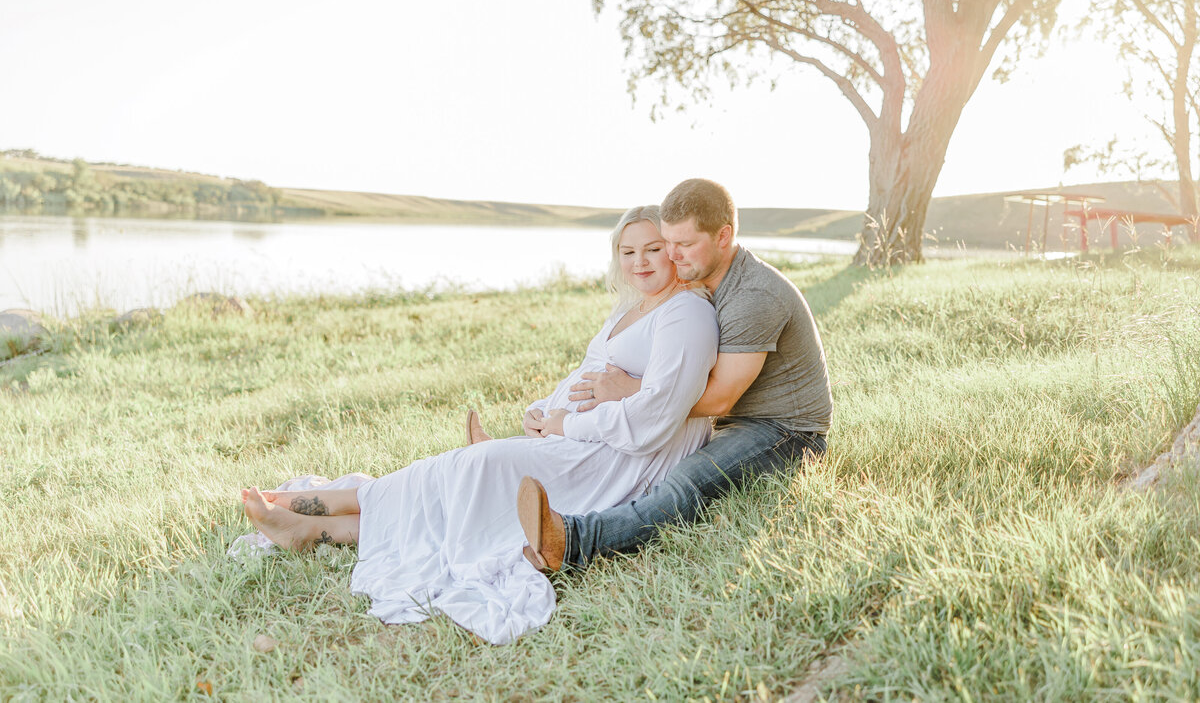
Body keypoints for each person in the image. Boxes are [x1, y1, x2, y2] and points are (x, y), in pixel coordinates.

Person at [239, 206, 718, 644]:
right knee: (462, 481)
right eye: (628, 251)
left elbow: (657, 416)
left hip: (617, 455)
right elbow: (587, 373)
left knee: (476, 468)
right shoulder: (632, 307)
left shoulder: (686, 313)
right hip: (580, 436)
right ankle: (311, 521)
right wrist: (542, 412)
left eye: (654, 249)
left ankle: (310, 517)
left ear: (675, 251)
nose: (641, 261)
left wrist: (563, 426)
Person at [518, 178, 831, 573]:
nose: (672, 253)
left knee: (688, 482)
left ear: (724, 236)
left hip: (783, 432)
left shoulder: (755, 296)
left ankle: (573, 541)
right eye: (668, 241)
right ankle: (508, 462)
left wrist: (633, 392)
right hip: (723, 423)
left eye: (683, 244)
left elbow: (720, 399)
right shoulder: (700, 279)